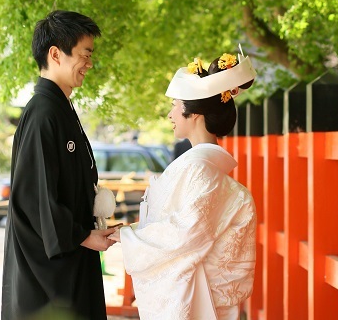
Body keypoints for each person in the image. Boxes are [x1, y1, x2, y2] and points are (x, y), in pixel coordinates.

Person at [109, 50, 257, 320]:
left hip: (198, 301)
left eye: (175, 105)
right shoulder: (200, 168)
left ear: (195, 113)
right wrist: (130, 232)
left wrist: (128, 237)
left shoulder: (200, 169)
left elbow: (186, 234)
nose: (170, 114)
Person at [1, 10, 119, 320]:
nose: (89, 64)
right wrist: (81, 235)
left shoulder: (59, 108)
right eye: (85, 54)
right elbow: (37, 197)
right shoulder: (43, 114)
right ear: (56, 54)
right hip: (48, 273)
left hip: (70, 255)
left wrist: (91, 229)